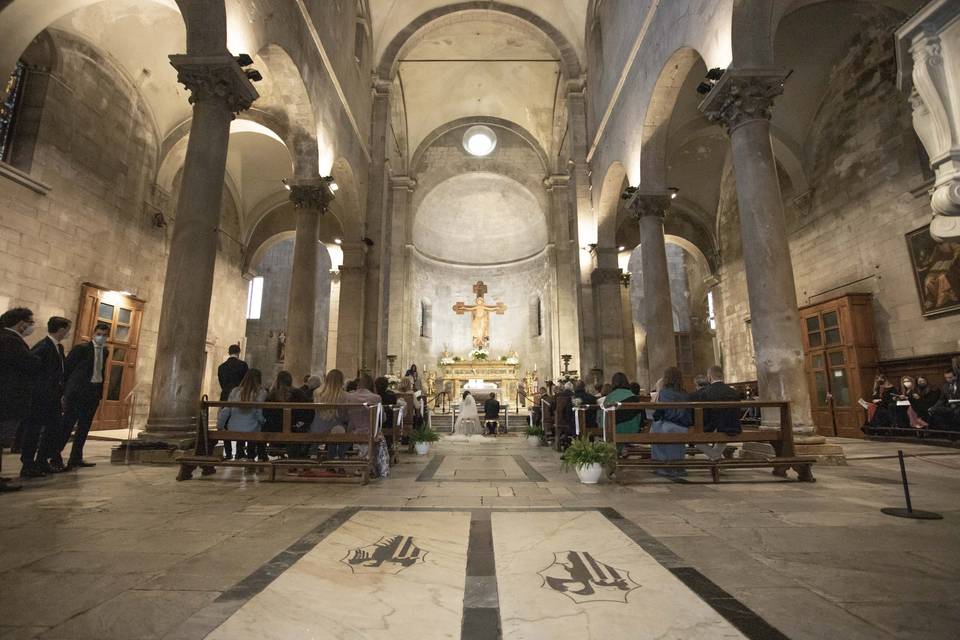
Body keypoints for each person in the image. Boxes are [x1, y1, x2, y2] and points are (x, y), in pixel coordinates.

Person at [22, 316, 71, 476]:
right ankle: (28, 464)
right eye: (67, 329)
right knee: (34, 430)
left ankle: (42, 460)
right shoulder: (43, 346)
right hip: (41, 396)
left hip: (54, 397)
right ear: (62, 329)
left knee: (53, 429)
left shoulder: (59, 347)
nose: (68, 332)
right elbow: (32, 368)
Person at [59, 322, 110, 469]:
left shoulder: (105, 351)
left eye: (105, 335)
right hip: (78, 392)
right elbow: (68, 369)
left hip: (93, 392)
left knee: (84, 427)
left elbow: (100, 370)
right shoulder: (81, 349)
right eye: (99, 334)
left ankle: (76, 457)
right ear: (94, 334)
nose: (102, 337)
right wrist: (65, 392)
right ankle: (54, 455)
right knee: (67, 425)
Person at [0, 307, 41, 492]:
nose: (31, 326)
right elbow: (28, 363)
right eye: (30, 322)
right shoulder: (10, 340)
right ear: (21, 323)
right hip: (8, 398)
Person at [689, 365, 741, 460]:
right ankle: (716, 458)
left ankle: (716, 458)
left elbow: (704, 415)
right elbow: (738, 413)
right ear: (722, 376)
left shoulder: (705, 392)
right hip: (732, 427)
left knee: (696, 440)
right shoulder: (734, 392)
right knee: (722, 438)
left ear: (709, 377)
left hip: (714, 427)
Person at [650, 367, 692, 477]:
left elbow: (659, 412)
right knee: (672, 437)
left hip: (670, 424)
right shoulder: (685, 393)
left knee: (654, 429)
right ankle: (678, 467)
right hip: (684, 426)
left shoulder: (664, 392)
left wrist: (655, 417)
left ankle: (662, 466)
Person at [216, 368, 266, 459]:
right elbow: (259, 414)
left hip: (234, 428)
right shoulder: (261, 392)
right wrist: (263, 422)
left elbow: (226, 410)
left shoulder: (235, 391)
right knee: (256, 426)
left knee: (248, 425)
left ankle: (240, 454)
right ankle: (251, 457)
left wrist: (220, 426)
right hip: (252, 429)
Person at [262, 370, 311, 461]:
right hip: (293, 428)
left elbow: (265, 413)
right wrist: (298, 423)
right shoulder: (298, 393)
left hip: (274, 428)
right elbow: (308, 411)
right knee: (297, 432)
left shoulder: (271, 395)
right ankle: (294, 461)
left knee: (262, 428)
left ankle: (261, 457)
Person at [217, 344, 248, 460]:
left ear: (229, 352)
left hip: (225, 397)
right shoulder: (243, 365)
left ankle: (228, 452)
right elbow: (245, 383)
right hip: (239, 397)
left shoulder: (221, 367)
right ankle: (240, 451)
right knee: (240, 421)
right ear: (239, 352)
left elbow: (221, 383)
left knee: (225, 424)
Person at [311, 369, 349, 459]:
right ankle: (337, 456)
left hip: (317, 427)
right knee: (344, 429)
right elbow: (344, 416)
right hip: (335, 428)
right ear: (341, 381)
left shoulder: (317, 393)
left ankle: (313, 453)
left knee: (335, 427)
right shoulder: (344, 395)